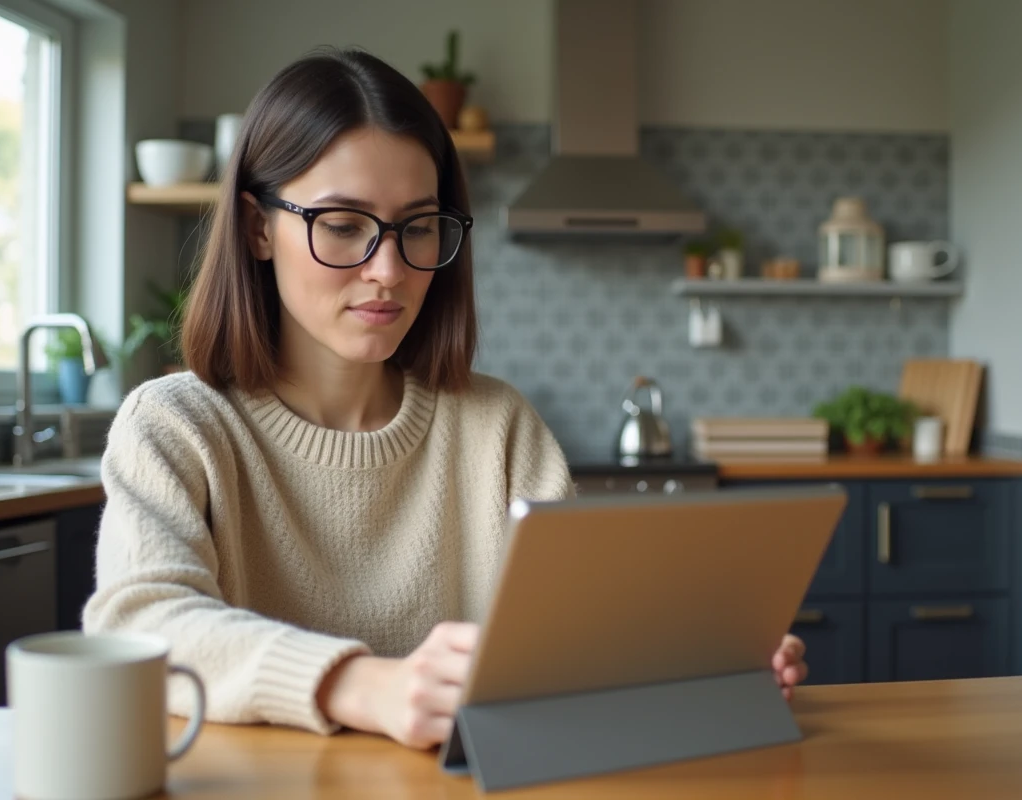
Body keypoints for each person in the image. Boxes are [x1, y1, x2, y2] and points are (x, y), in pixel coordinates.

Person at [83, 48, 808, 750]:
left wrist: (700, 661)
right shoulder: (174, 426)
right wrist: (363, 686)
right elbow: (140, 626)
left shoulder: (498, 427)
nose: (389, 269)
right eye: (342, 225)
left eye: (418, 227)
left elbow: (571, 632)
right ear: (255, 228)